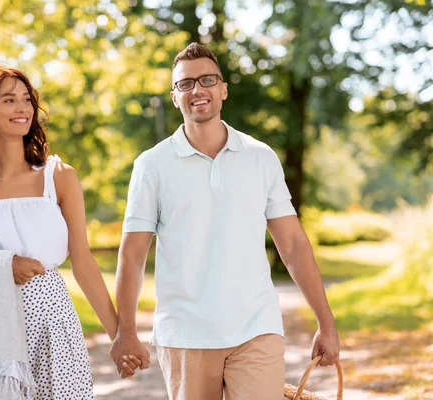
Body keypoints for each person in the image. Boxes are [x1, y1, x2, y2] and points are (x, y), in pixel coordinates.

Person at [110, 42, 340, 400]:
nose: (197, 90)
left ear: (223, 89)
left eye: (207, 80)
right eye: (185, 84)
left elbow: (293, 244)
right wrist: (125, 330)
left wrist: (326, 323)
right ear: (174, 97)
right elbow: (133, 255)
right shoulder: (151, 166)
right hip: (186, 333)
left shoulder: (260, 157)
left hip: (256, 327)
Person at [0, 63, 140, 399]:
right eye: (9, 100)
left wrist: (120, 337)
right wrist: (2, 266)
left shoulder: (59, 176)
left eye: (27, 99)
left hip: (52, 326)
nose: (23, 108)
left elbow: (83, 264)